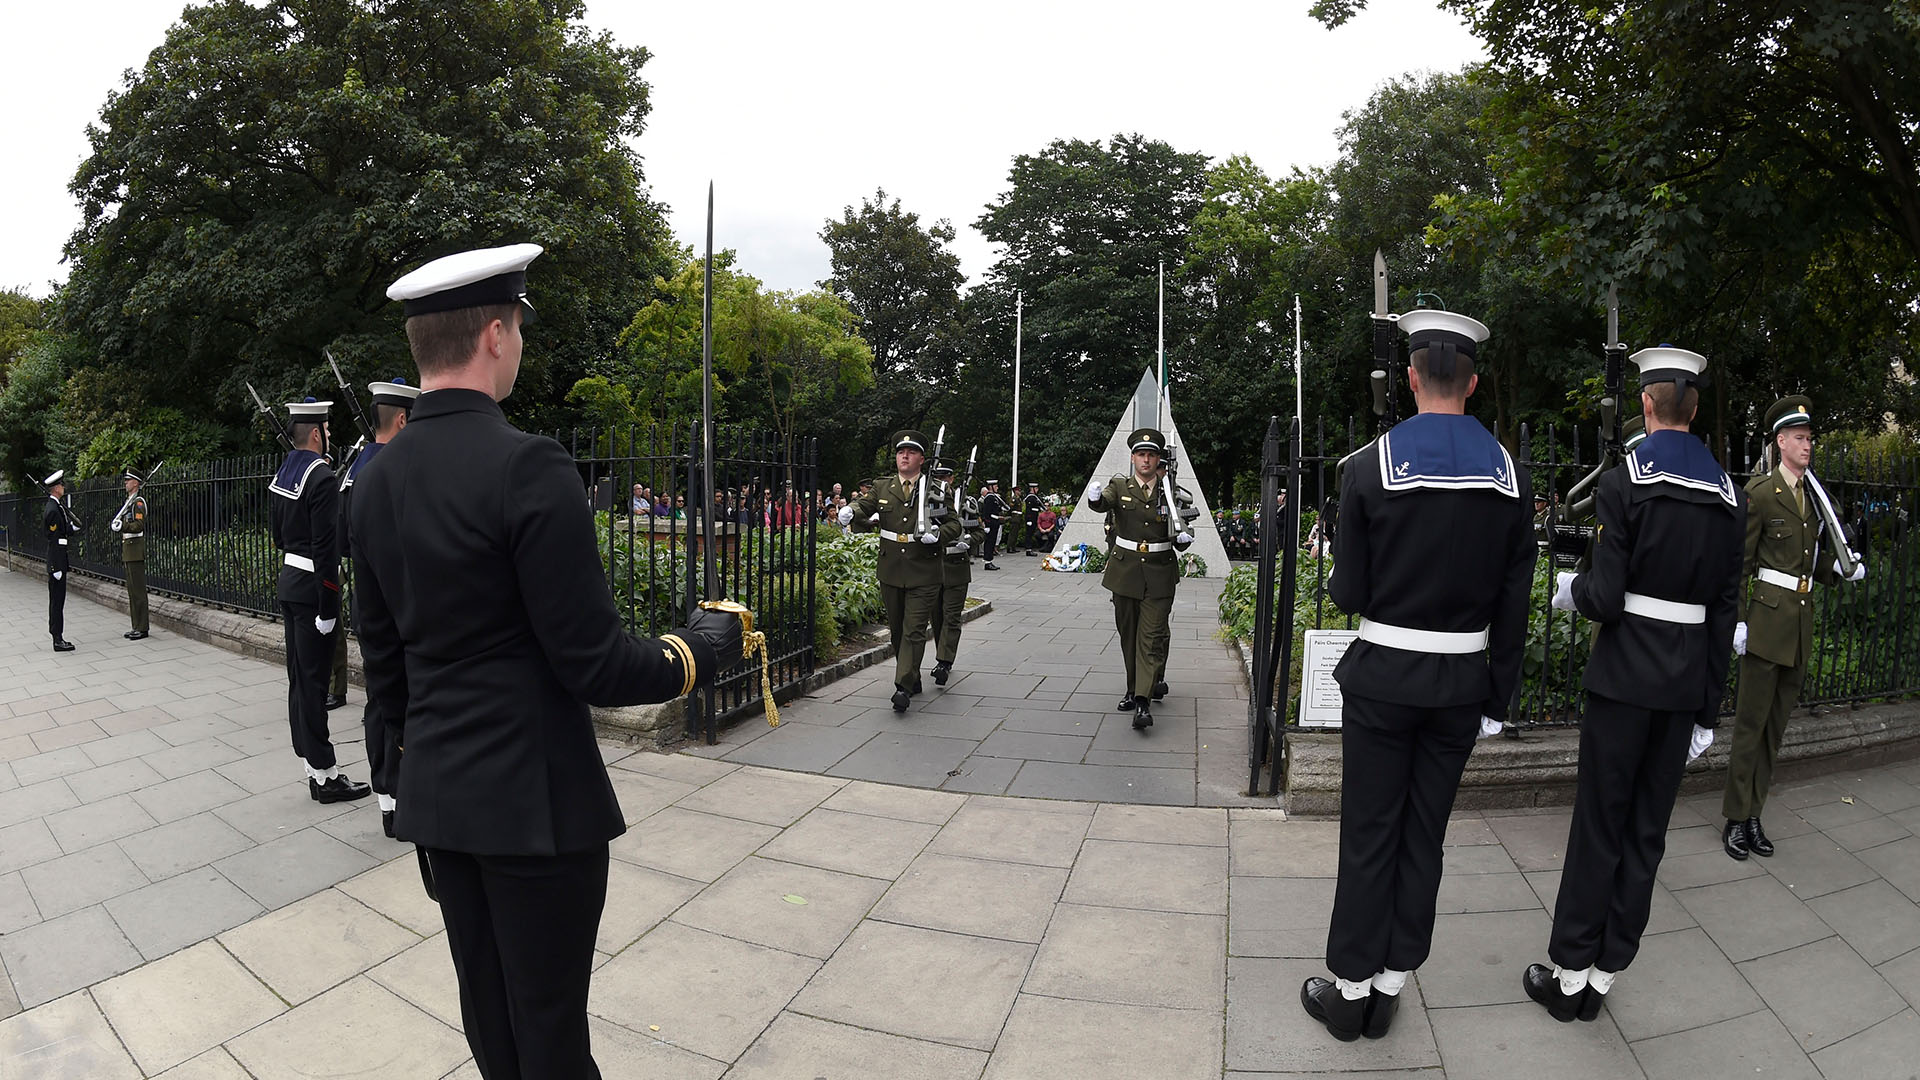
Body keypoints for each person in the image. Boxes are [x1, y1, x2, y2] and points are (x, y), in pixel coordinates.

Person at [356, 243, 745, 1079]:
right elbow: (594, 664)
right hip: (534, 810)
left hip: (440, 803)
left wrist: (401, 782)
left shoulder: (376, 482)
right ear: (496, 334)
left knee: (493, 1027)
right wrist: (697, 652)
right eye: (521, 330)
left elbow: (383, 668)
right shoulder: (526, 464)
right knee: (552, 1036)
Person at [1300, 308, 1532, 1042]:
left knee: (1370, 830)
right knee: (1424, 835)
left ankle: (1350, 992)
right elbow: (1515, 603)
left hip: (1385, 679)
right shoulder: (1510, 477)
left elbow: (1349, 593)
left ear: (1408, 378)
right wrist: (1498, 694)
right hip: (1461, 683)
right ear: (1473, 380)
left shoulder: (1369, 466)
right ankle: (1394, 983)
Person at [1525, 346, 1745, 1022]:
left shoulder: (1625, 483)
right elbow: (1722, 612)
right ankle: (1606, 971)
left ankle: (1568, 977)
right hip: (1681, 688)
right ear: (1696, 407)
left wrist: (1574, 590)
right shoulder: (1727, 494)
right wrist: (1709, 707)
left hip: (1623, 680)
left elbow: (1607, 594)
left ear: (1647, 405)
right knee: (1648, 831)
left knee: (1600, 825)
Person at [1719, 394, 1867, 860]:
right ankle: (1734, 818)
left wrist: (1839, 570)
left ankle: (1755, 812)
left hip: (1798, 625)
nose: (1808, 446)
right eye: (1800, 438)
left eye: (1810, 438)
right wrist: (1739, 623)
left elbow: (1808, 561)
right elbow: (1739, 565)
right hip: (1764, 625)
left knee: (1775, 730)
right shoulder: (1762, 493)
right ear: (1781, 441)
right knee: (1750, 727)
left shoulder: (1812, 496)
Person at [268, 398, 371, 804]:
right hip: (313, 591)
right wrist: (330, 608)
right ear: (316, 433)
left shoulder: (286, 472)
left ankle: (313, 766)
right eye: (327, 429)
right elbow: (327, 549)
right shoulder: (323, 477)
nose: (330, 435)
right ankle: (326, 777)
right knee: (312, 684)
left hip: (289, 583)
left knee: (299, 682)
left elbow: (278, 537)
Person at [339, 377, 421, 839]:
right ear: (404, 418)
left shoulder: (356, 468)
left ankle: (385, 795)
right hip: (398, 598)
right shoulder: (396, 468)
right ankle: (398, 794)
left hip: (364, 595)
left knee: (377, 695)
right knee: (398, 695)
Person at [1084, 428, 1195, 731]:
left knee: (1150, 637)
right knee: (1128, 635)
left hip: (1159, 573)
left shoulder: (1171, 492)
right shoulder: (1119, 485)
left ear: (1159, 459)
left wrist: (1184, 537)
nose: (1146, 459)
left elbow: (1183, 530)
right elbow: (1104, 502)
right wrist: (1094, 499)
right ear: (1133, 458)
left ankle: (1143, 701)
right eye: (1141, 454)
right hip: (1125, 573)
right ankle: (1133, 689)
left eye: (1151, 455)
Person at [838, 430, 957, 712]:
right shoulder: (883, 486)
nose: (904, 456)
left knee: (914, 630)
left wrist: (938, 534)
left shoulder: (936, 490)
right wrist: (851, 510)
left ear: (922, 459)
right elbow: (864, 505)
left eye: (911, 452)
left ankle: (902, 686)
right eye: (901, 452)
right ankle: (913, 676)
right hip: (891, 568)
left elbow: (955, 524)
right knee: (896, 631)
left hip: (924, 570)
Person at [928, 463, 986, 687]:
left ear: (952, 479)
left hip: (956, 567)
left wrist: (969, 541)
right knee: (937, 618)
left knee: (951, 617)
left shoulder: (967, 502)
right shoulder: (927, 502)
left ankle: (944, 662)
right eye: (937, 477)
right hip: (932, 568)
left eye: (945, 477)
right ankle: (942, 656)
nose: (941, 481)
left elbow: (978, 531)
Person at [115, 468, 150, 640]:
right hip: (128, 549)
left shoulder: (138, 503)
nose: (125, 483)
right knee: (131, 591)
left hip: (135, 550)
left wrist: (122, 526)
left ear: (136, 483)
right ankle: (136, 625)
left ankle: (142, 627)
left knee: (138, 591)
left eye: (128, 480)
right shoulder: (129, 501)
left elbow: (138, 526)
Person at [43, 471, 76, 653]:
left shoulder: (56, 507)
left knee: (58, 600)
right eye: (62, 485)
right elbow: (54, 539)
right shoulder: (53, 510)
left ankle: (58, 635)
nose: (63, 487)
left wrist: (71, 529)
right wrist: (55, 566)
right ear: (56, 488)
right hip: (57, 562)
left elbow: (61, 532)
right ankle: (57, 639)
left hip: (59, 560)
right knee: (57, 601)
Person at [979, 479, 1007, 570]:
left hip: (994, 522)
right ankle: (987, 562)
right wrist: (986, 525)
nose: (997, 488)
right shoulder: (989, 497)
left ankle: (989, 561)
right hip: (990, 523)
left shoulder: (993, 497)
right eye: (995, 486)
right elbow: (986, 512)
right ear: (991, 487)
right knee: (989, 543)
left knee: (992, 542)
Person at [1022, 480, 1045, 555]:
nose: (1037, 490)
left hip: (1034, 517)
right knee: (1029, 534)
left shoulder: (1034, 497)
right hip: (1030, 518)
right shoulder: (1030, 498)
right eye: (1036, 488)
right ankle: (1028, 549)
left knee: (1031, 533)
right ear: (1032, 489)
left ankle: (1029, 548)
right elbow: (1028, 510)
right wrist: (1029, 519)